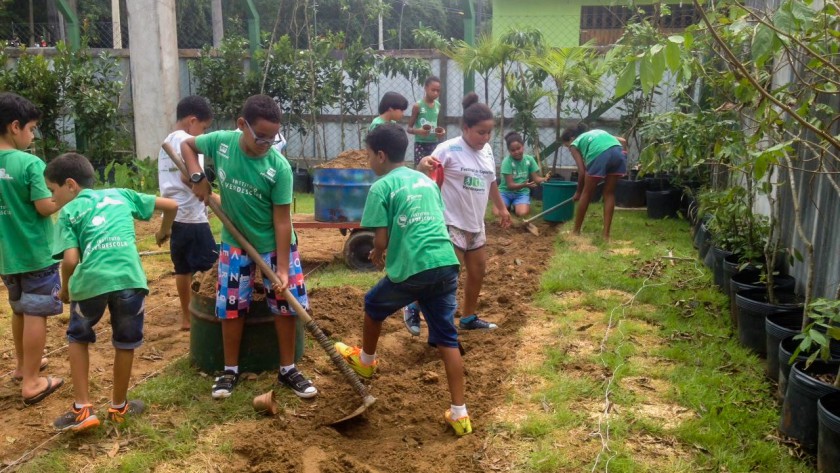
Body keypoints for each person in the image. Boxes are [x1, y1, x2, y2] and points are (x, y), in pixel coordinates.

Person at [334, 123, 471, 436]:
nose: (368, 161)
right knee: (446, 338)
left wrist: (378, 254)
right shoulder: (424, 181)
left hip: (414, 267)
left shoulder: (381, 187)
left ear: (380, 155)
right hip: (445, 263)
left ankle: (367, 361)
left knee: (372, 304)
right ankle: (460, 414)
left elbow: (379, 237)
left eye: (368, 155)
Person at [181, 94, 318, 400]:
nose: (266, 143)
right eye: (261, 137)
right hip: (235, 242)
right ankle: (230, 370)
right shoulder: (223, 144)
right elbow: (187, 145)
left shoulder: (278, 168)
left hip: (274, 245)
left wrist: (282, 269)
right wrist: (197, 176)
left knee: (286, 306)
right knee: (232, 306)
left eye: (273, 138)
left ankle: (288, 369)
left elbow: (283, 222)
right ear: (242, 125)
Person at [45, 152, 177, 432]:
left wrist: (66, 290)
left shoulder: (69, 212)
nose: (52, 199)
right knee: (125, 342)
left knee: (78, 339)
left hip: (90, 282)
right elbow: (171, 205)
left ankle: (83, 409)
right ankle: (118, 407)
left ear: (70, 185)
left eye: (52, 191)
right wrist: (163, 232)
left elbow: (70, 260)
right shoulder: (122, 194)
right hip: (130, 279)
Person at [410, 93, 511, 335]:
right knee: (445, 278)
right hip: (451, 221)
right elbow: (426, 170)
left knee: (477, 272)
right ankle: (414, 308)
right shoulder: (448, 149)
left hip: (475, 224)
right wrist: (423, 164)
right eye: (480, 132)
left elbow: (491, 180)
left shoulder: (486, 150)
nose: (485, 137)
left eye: (489, 133)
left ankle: (468, 318)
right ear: (465, 128)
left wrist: (500, 207)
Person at [0, 92, 64, 406]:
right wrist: (63, 199)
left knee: (19, 309)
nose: (33, 135)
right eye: (31, 128)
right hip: (36, 254)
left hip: (7, 258)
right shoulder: (28, 163)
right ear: (15, 126)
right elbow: (43, 207)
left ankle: (24, 365)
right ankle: (32, 383)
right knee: (37, 312)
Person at [159, 95, 218, 331]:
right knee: (212, 268)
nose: (203, 133)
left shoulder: (166, 142)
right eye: (203, 128)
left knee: (182, 269)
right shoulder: (191, 142)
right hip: (192, 218)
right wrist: (212, 195)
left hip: (173, 217)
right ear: (192, 121)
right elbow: (191, 178)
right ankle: (210, 314)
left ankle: (187, 317)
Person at [560, 123, 628, 240]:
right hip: (618, 153)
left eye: (567, 147)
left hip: (600, 154)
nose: (569, 149)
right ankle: (606, 236)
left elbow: (581, 171)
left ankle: (575, 232)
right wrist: (624, 156)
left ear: (571, 139)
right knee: (609, 193)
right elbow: (623, 141)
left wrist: (578, 192)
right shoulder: (597, 132)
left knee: (586, 193)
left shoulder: (574, 144)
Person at [499, 131, 545, 217]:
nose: (516, 152)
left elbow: (536, 179)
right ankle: (508, 204)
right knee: (498, 213)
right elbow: (510, 185)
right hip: (505, 192)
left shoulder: (529, 160)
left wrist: (545, 179)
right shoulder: (506, 162)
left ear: (523, 147)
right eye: (513, 150)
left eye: (518, 148)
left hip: (521, 193)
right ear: (509, 151)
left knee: (522, 213)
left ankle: (514, 205)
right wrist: (524, 185)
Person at [407, 76, 445, 165]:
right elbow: (408, 128)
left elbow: (437, 125)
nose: (436, 93)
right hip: (420, 144)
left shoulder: (438, 105)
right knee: (421, 168)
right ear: (426, 88)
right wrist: (418, 131)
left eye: (438, 91)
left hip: (434, 143)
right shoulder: (418, 106)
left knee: (433, 168)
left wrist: (441, 132)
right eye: (433, 90)